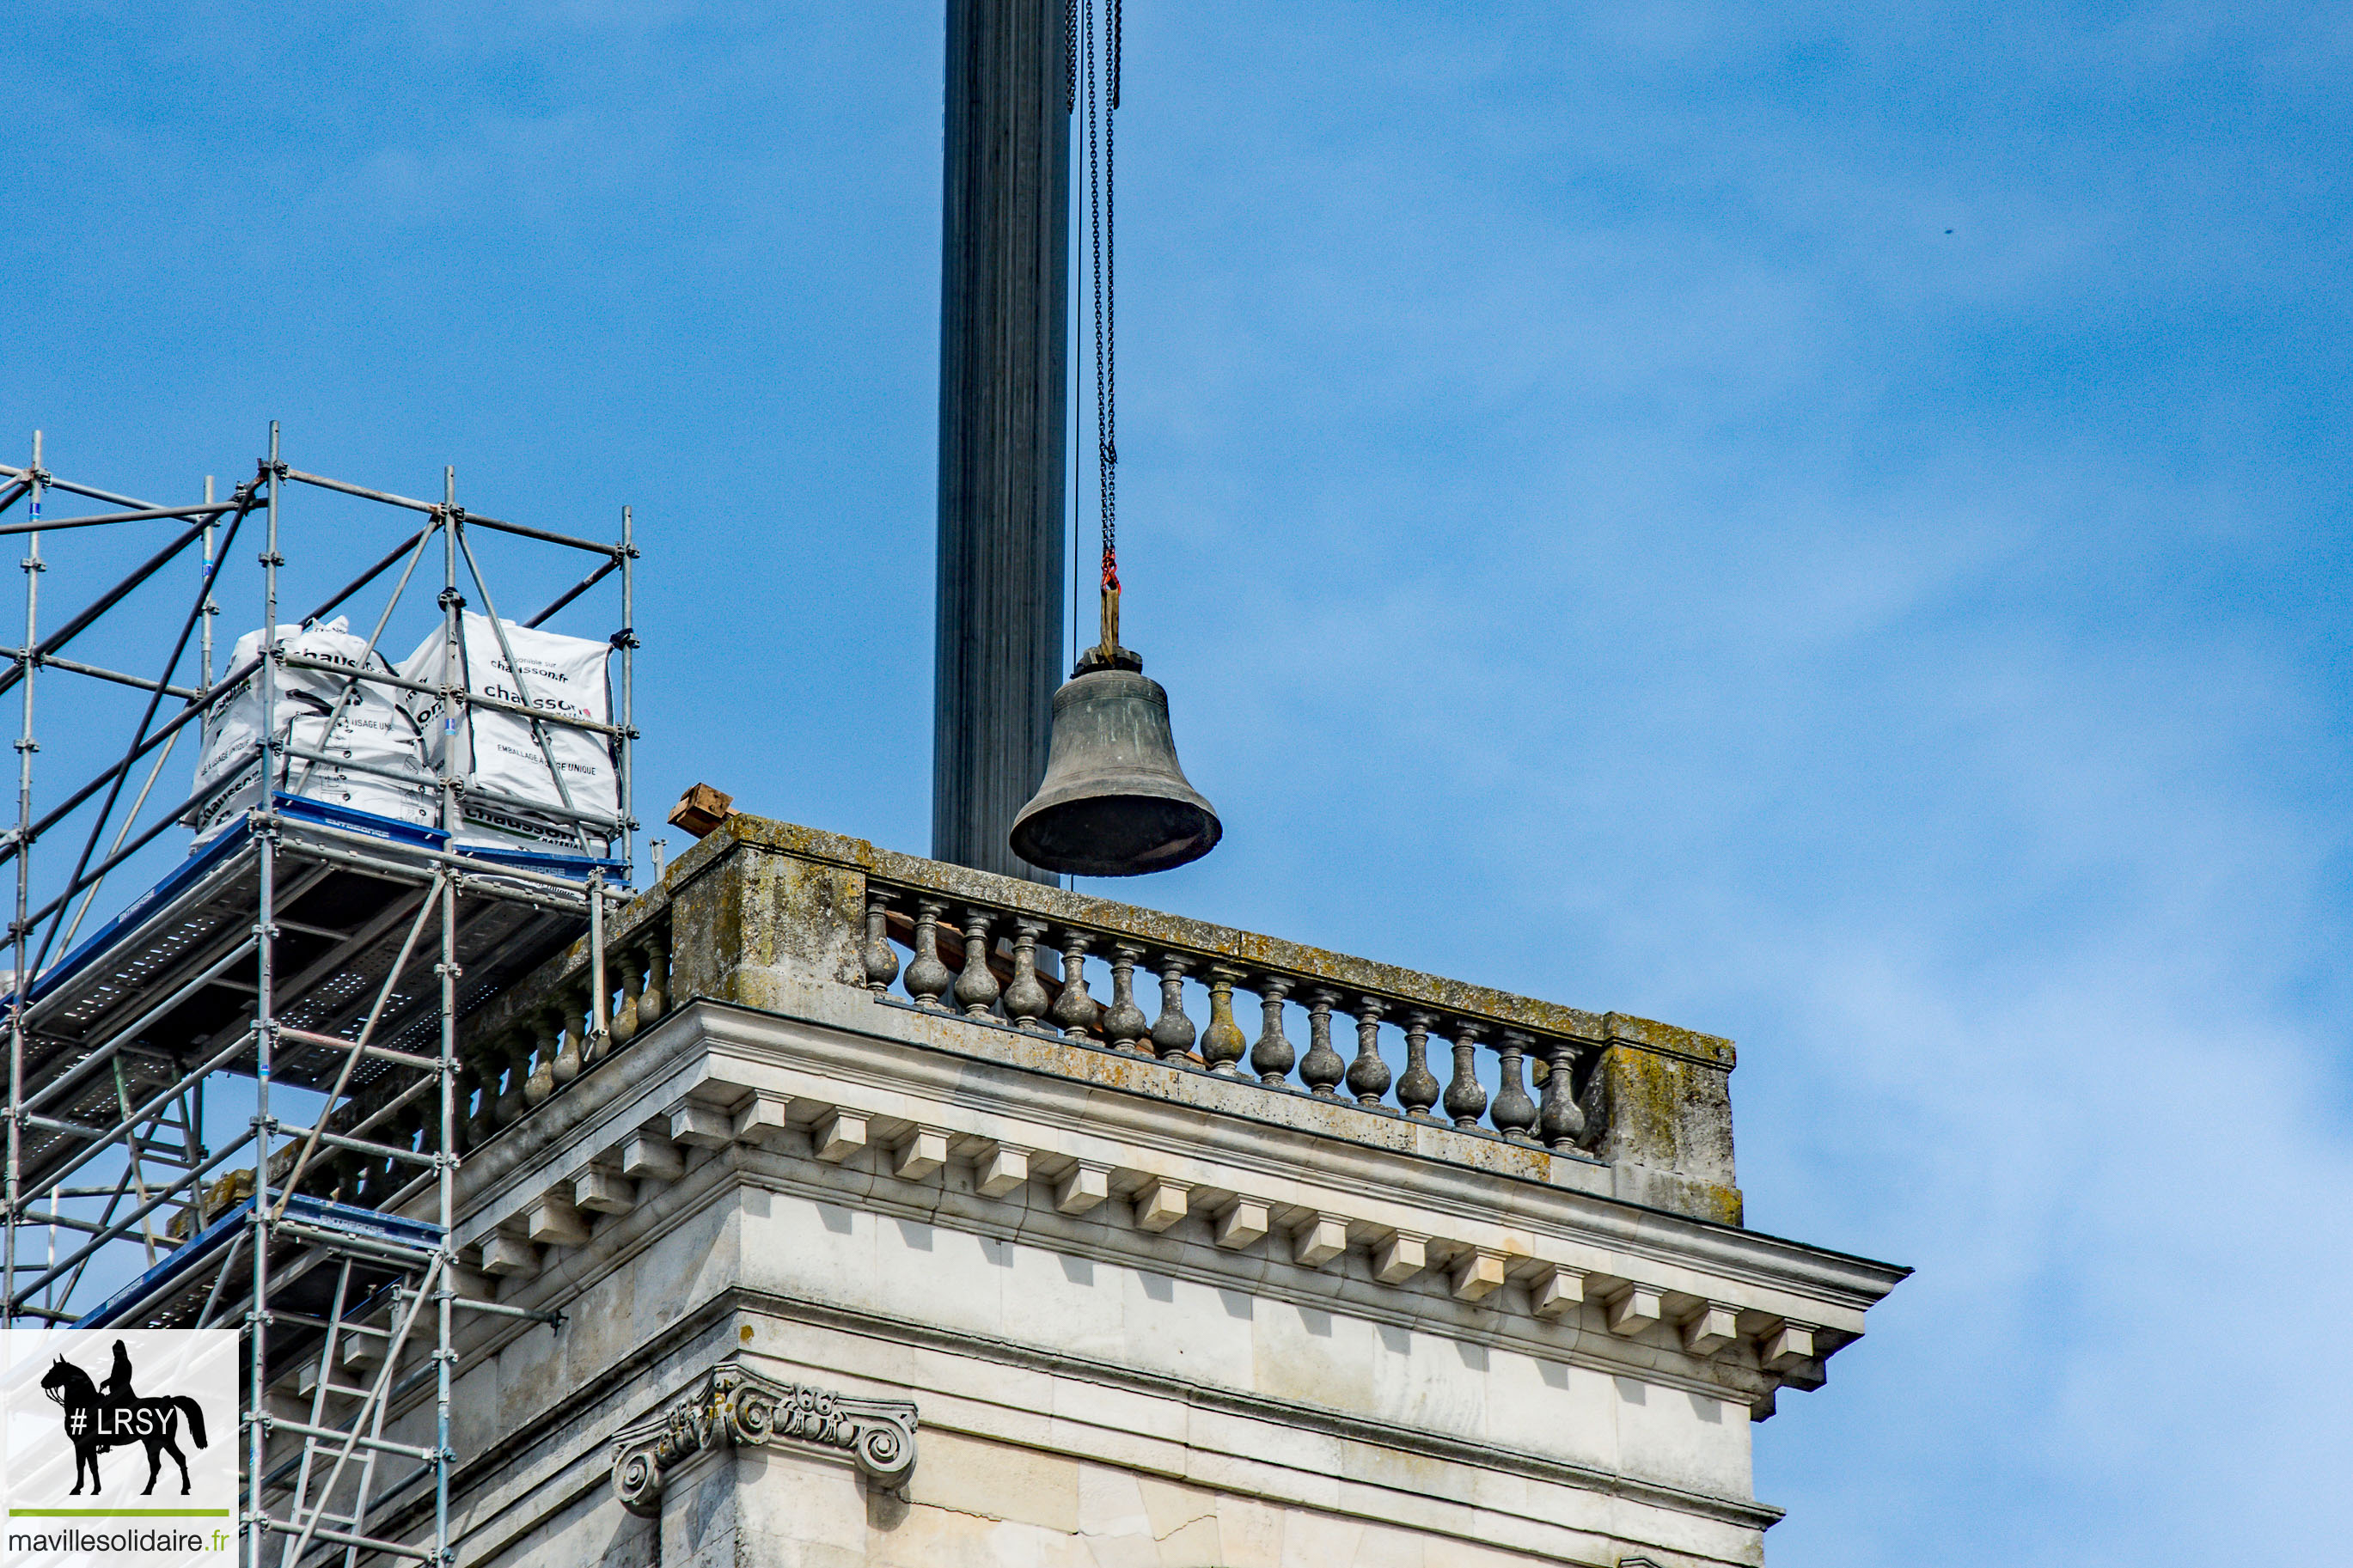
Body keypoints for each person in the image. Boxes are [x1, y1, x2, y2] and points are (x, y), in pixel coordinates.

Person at [103, 1339, 138, 1403]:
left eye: (115, 1353)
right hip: (119, 1394)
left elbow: (117, 1378)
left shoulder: (123, 1363)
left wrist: (107, 1382)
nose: (114, 1355)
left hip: (122, 1395)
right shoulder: (119, 1362)